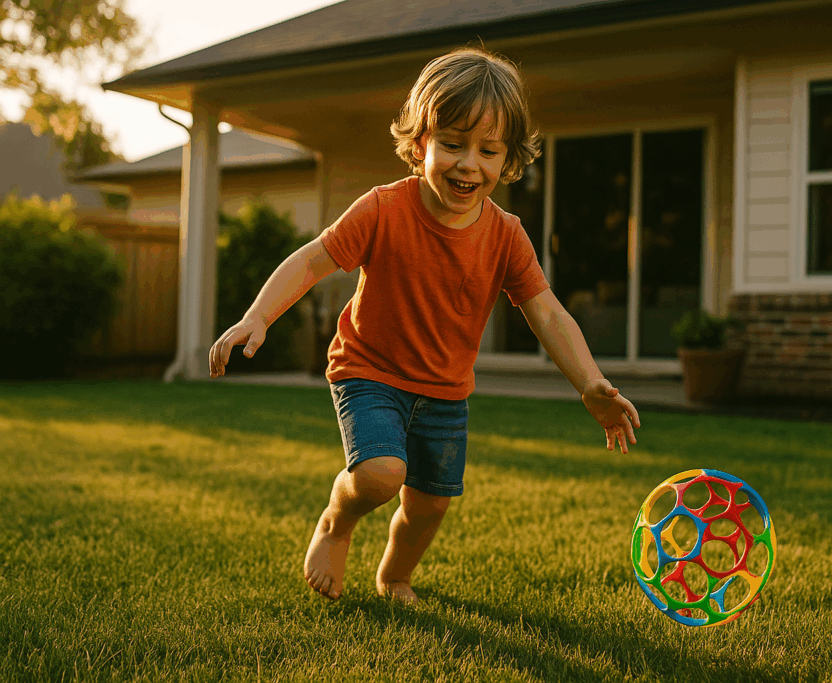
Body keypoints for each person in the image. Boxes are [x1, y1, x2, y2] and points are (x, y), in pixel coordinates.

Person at [208, 47, 641, 603]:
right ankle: (336, 522)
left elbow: (548, 312)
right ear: (421, 145)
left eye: (488, 151)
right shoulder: (383, 209)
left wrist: (590, 384)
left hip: (444, 390)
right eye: (453, 144)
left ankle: (394, 575)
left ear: (508, 160)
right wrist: (257, 316)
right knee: (381, 475)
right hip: (370, 369)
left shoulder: (506, 235)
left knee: (430, 503)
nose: (469, 164)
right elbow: (315, 259)